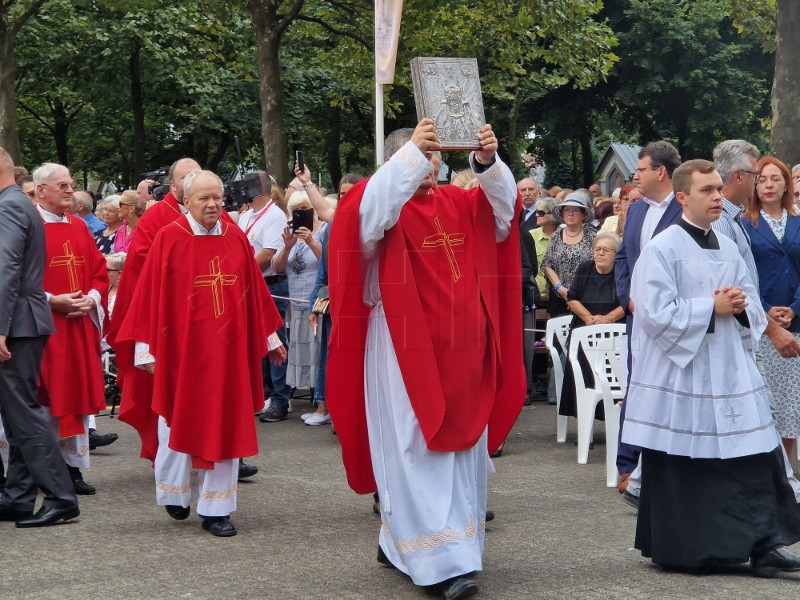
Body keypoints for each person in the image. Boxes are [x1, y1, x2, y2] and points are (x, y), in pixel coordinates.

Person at [327, 119, 525, 599]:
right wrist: (411, 154)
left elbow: (504, 214)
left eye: (436, 158)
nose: (432, 167)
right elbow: (368, 217)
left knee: (462, 449)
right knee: (413, 444)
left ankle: (402, 545)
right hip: (402, 342)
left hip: (461, 345)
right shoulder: (377, 205)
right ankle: (439, 563)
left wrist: (486, 163)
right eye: (423, 157)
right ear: (399, 160)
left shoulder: (457, 203)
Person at [623, 158, 800, 575]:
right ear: (683, 197)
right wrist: (711, 307)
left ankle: (765, 544)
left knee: (754, 454)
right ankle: (695, 548)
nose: (719, 197)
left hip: (729, 370)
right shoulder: (663, 248)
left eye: (720, 189)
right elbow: (652, 313)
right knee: (691, 463)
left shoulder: (725, 244)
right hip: (687, 375)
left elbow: (750, 299)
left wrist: (741, 309)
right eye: (708, 190)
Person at [115, 170, 285, 537]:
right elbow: (150, 297)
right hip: (181, 352)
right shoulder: (169, 238)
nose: (212, 205)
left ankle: (216, 508)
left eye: (218, 198)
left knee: (225, 421)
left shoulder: (235, 237)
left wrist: (270, 339)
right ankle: (175, 491)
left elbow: (253, 292)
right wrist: (146, 350)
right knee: (177, 416)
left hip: (228, 352)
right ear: (186, 201)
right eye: (204, 199)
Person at [0, 147, 79, 528]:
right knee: (17, 414)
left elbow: (7, 267)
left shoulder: (10, 205)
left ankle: (62, 498)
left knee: (24, 414)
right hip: (22, 322)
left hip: (15, 325)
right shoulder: (17, 202)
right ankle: (17, 496)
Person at [33, 162, 109, 496]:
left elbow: (98, 271)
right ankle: (48, 470)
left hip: (78, 324)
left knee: (75, 394)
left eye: (70, 183)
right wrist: (53, 300)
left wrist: (91, 299)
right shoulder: (28, 226)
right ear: (40, 191)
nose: (69, 189)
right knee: (48, 397)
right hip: (45, 326)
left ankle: (73, 468)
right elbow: (17, 277)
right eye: (61, 184)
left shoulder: (79, 227)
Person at [614, 141, 682, 494]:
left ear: (660, 171)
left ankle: (661, 467)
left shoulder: (684, 209)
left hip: (671, 319)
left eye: (640, 169)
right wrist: (629, 299)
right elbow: (623, 258)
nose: (634, 175)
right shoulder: (637, 211)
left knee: (665, 389)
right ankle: (628, 465)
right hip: (637, 319)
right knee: (635, 388)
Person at [741, 157, 800, 457]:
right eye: (762, 179)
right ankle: (764, 467)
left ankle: (787, 469)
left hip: (795, 323)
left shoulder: (799, 220)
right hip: (759, 323)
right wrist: (765, 310)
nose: (768, 185)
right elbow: (742, 274)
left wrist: (794, 308)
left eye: (775, 179)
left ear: (786, 184)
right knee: (763, 400)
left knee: (790, 401)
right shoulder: (743, 224)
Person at [237, 172, 292, 423]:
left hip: (270, 284)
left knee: (275, 339)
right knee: (254, 342)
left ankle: (281, 399)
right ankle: (262, 394)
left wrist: (237, 271)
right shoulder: (247, 215)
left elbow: (268, 254)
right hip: (248, 283)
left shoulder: (275, 215)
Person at [558, 233, 625, 420]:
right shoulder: (585, 268)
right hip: (584, 328)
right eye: (597, 249)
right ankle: (584, 422)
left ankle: (614, 420)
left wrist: (608, 318)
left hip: (614, 330)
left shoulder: (622, 270)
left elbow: (629, 301)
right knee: (582, 367)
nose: (601, 253)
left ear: (616, 253)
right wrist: (589, 319)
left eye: (606, 250)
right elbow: (572, 298)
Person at [272, 191, 326, 399]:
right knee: (301, 347)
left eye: (305, 208)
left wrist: (311, 241)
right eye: (297, 210)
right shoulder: (289, 234)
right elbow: (277, 268)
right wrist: (287, 248)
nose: (301, 213)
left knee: (317, 348)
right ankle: (312, 392)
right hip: (295, 303)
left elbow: (327, 262)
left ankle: (319, 394)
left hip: (316, 303)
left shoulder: (323, 230)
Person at [541, 191, 597, 317]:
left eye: (575, 210)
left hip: (585, 298)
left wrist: (576, 296)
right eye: (567, 210)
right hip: (558, 299)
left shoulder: (592, 237)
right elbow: (547, 265)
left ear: (583, 214)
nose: (570, 214)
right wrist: (561, 289)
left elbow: (596, 267)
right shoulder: (555, 237)